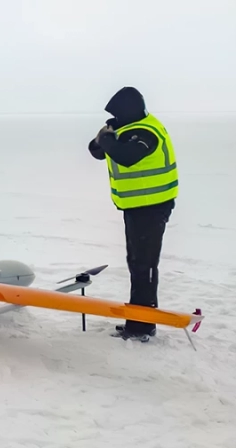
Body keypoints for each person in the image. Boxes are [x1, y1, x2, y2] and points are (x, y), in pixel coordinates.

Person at [87, 86, 178, 342]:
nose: (115, 119)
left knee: (144, 265)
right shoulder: (125, 130)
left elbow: (127, 156)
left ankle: (142, 326)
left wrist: (106, 139)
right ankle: (138, 321)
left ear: (128, 112)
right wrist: (104, 137)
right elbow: (96, 151)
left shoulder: (147, 132)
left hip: (153, 206)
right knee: (136, 263)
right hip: (137, 207)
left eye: (118, 114)